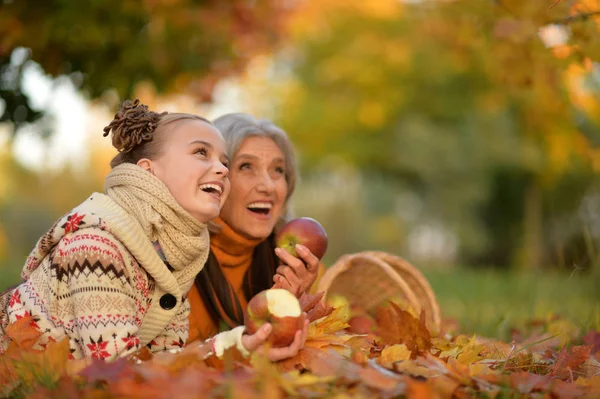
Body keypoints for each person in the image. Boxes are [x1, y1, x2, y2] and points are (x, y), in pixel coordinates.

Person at [0, 101, 307, 361]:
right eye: (201, 152)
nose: (221, 169)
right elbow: (116, 374)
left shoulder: (174, 256)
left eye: (224, 161)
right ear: (148, 171)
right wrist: (235, 347)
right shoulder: (98, 247)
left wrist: (242, 346)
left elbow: (165, 364)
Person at [187, 113, 324, 344]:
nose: (268, 186)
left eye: (278, 170)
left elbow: (317, 357)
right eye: (246, 166)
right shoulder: (175, 258)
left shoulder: (295, 263)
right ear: (213, 179)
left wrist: (296, 303)